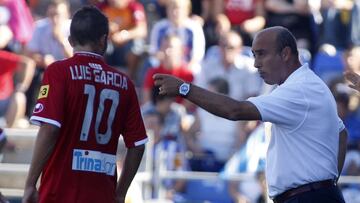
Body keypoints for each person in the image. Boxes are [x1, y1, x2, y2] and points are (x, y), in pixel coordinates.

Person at [154, 26, 348, 202]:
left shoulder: (299, 90)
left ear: (286, 53)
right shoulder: (309, 84)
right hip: (313, 195)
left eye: (262, 54)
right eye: (254, 55)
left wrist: (185, 89)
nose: (256, 64)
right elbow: (341, 133)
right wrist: (328, 183)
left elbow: (235, 110)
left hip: (308, 198)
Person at [22, 6, 148, 203]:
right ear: (103, 40)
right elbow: (138, 145)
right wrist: (121, 192)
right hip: (102, 194)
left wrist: (30, 183)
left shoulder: (59, 72)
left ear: (71, 41)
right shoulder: (125, 84)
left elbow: (49, 129)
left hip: (59, 192)